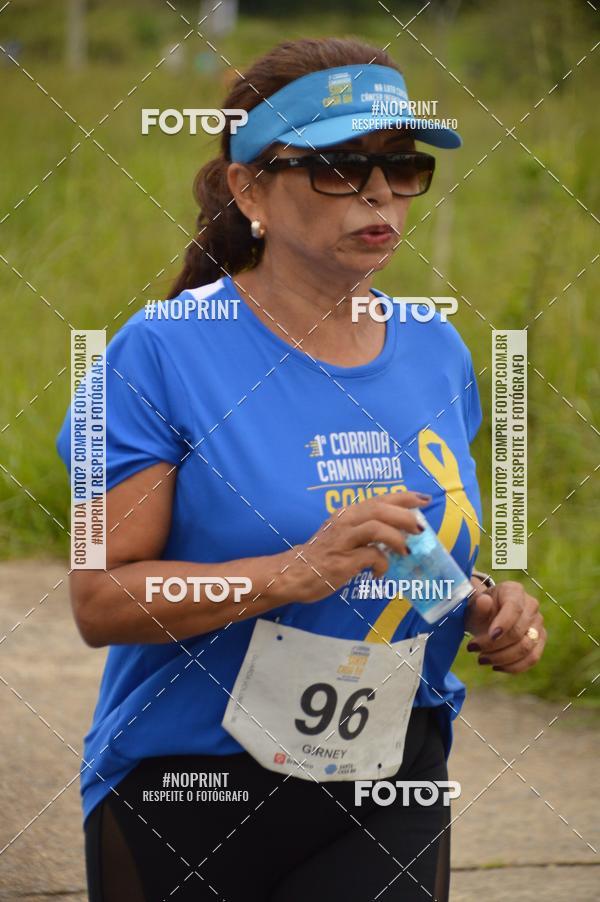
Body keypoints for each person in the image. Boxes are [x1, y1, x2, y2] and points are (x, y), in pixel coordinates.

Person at [57, 37, 546, 902]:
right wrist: (290, 575)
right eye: (335, 167)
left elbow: (410, 546)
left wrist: (479, 603)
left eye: (400, 166)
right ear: (250, 188)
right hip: (190, 782)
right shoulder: (156, 354)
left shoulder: (436, 347)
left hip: (394, 769)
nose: (378, 194)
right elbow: (100, 601)